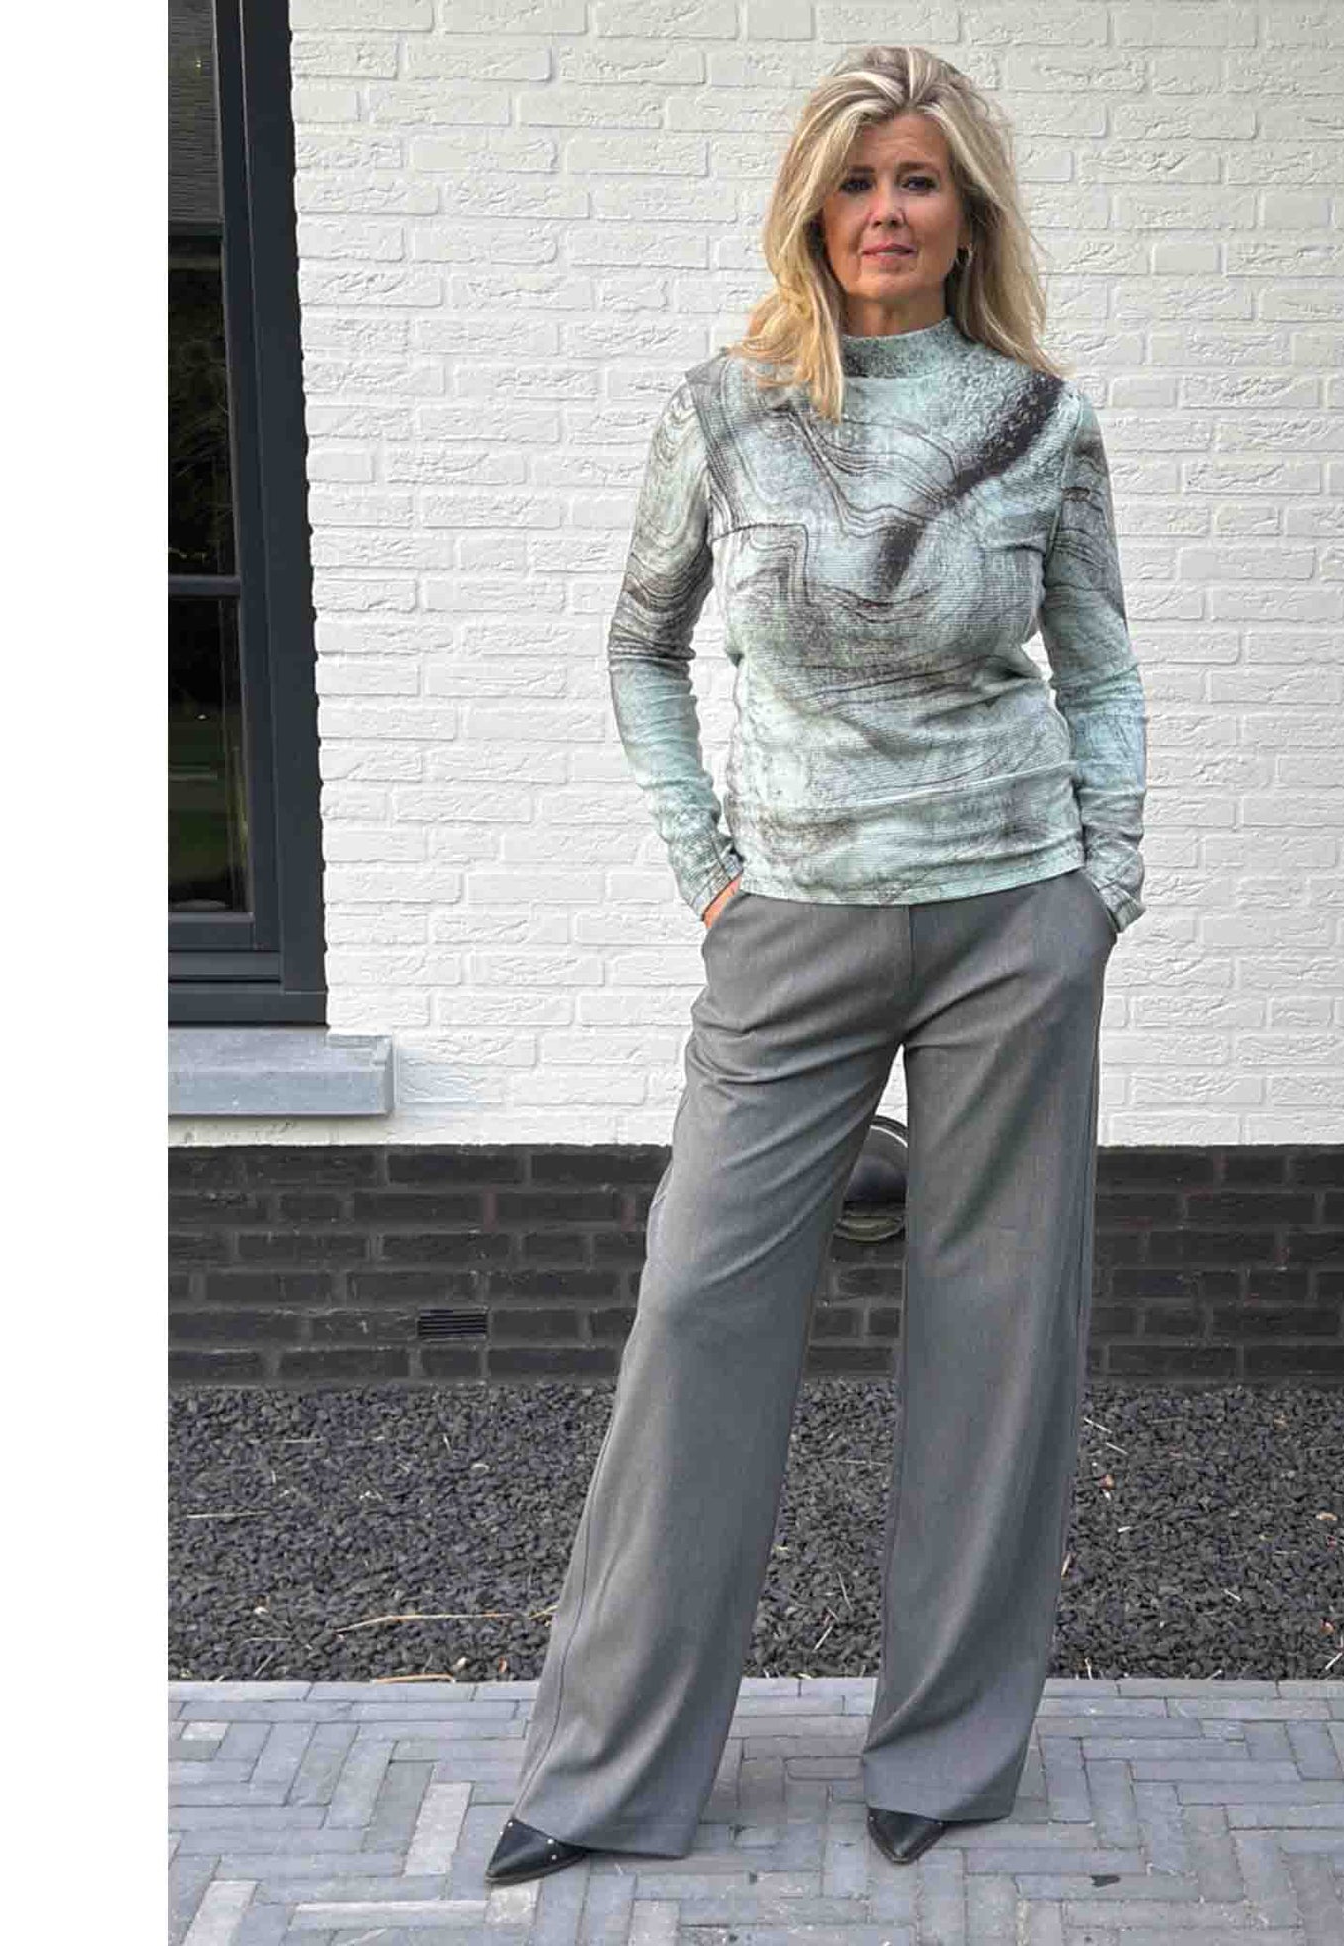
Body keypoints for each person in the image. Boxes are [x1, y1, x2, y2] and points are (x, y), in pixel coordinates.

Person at [486, 42, 1147, 1887]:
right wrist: (704, 869)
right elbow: (641, 648)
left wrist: (1105, 876)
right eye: (856, 180)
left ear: (968, 212)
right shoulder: (724, 411)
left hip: (1013, 915)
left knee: (998, 1331)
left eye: (918, 179)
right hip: (789, 921)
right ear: (809, 206)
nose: (885, 211)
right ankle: (611, 1770)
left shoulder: (1041, 417)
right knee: (699, 1306)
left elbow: (1097, 661)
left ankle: (946, 1749)